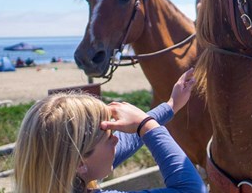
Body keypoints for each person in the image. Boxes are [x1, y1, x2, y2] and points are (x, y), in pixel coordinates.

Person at [13, 69, 206, 193]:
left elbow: (123, 143)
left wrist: (171, 106)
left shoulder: (53, 175)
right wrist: (147, 126)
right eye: (109, 136)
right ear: (80, 164)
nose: (117, 140)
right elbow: (192, 190)